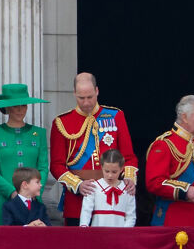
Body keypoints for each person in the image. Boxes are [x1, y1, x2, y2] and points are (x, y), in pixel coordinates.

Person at [50, 72, 138, 226]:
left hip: (112, 196)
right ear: (74, 94)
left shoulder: (115, 116)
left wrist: (129, 178)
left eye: (90, 97)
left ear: (97, 91)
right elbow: (56, 165)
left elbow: (129, 157)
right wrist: (78, 185)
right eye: (81, 98)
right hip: (79, 198)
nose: (86, 103)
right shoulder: (61, 122)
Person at [0, 84, 49, 225]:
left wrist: (35, 191)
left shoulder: (39, 133)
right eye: (15, 106)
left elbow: (43, 167)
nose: (20, 110)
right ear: (7, 108)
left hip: (34, 202)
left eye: (23, 105)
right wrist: (12, 192)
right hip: (6, 200)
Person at [146, 95, 194, 226]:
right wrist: (186, 191)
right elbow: (154, 182)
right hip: (172, 222)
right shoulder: (165, 144)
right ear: (184, 117)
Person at [79, 149, 136, 227]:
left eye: (114, 172)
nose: (110, 175)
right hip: (97, 233)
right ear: (102, 167)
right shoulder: (93, 187)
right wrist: (83, 228)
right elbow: (86, 211)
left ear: (121, 169)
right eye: (107, 171)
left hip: (120, 235)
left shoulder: (128, 189)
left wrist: (125, 234)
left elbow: (131, 216)